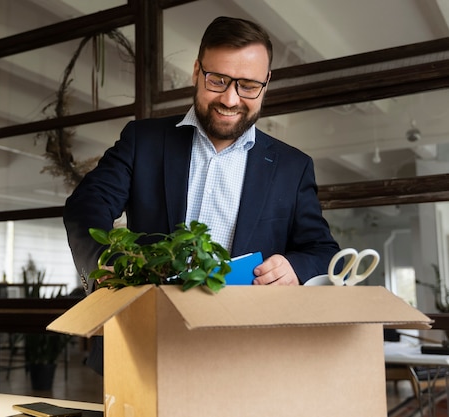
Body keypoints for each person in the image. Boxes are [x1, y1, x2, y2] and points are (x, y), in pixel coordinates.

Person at [63, 16, 340, 374]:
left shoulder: (292, 166)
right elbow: (86, 207)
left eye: (248, 86)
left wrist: (295, 268)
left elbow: (322, 251)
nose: (230, 98)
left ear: (267, 83)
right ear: (197, 70)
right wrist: (103, 262)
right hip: (146, 347)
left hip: (251, 356)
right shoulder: (142, 141)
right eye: (218, 80)